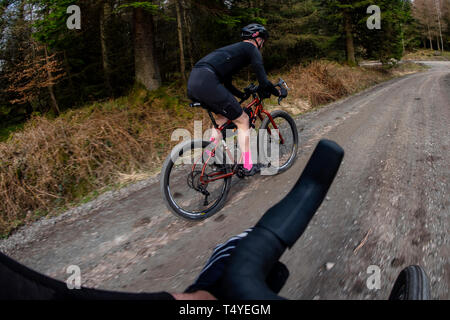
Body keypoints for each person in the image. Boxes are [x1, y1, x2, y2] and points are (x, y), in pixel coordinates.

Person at [187, 23, 287, 176]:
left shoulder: (233, 51)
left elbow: (227, 84)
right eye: (263, 41)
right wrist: (278, 91)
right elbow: (263, 80)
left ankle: (212, 156)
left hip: (195, 81)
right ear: (257, 39)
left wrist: (242, 95)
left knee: (222, 119)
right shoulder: (251, 49)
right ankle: (247, 165)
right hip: (207, 80)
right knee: (243, 120)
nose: (262, 44)